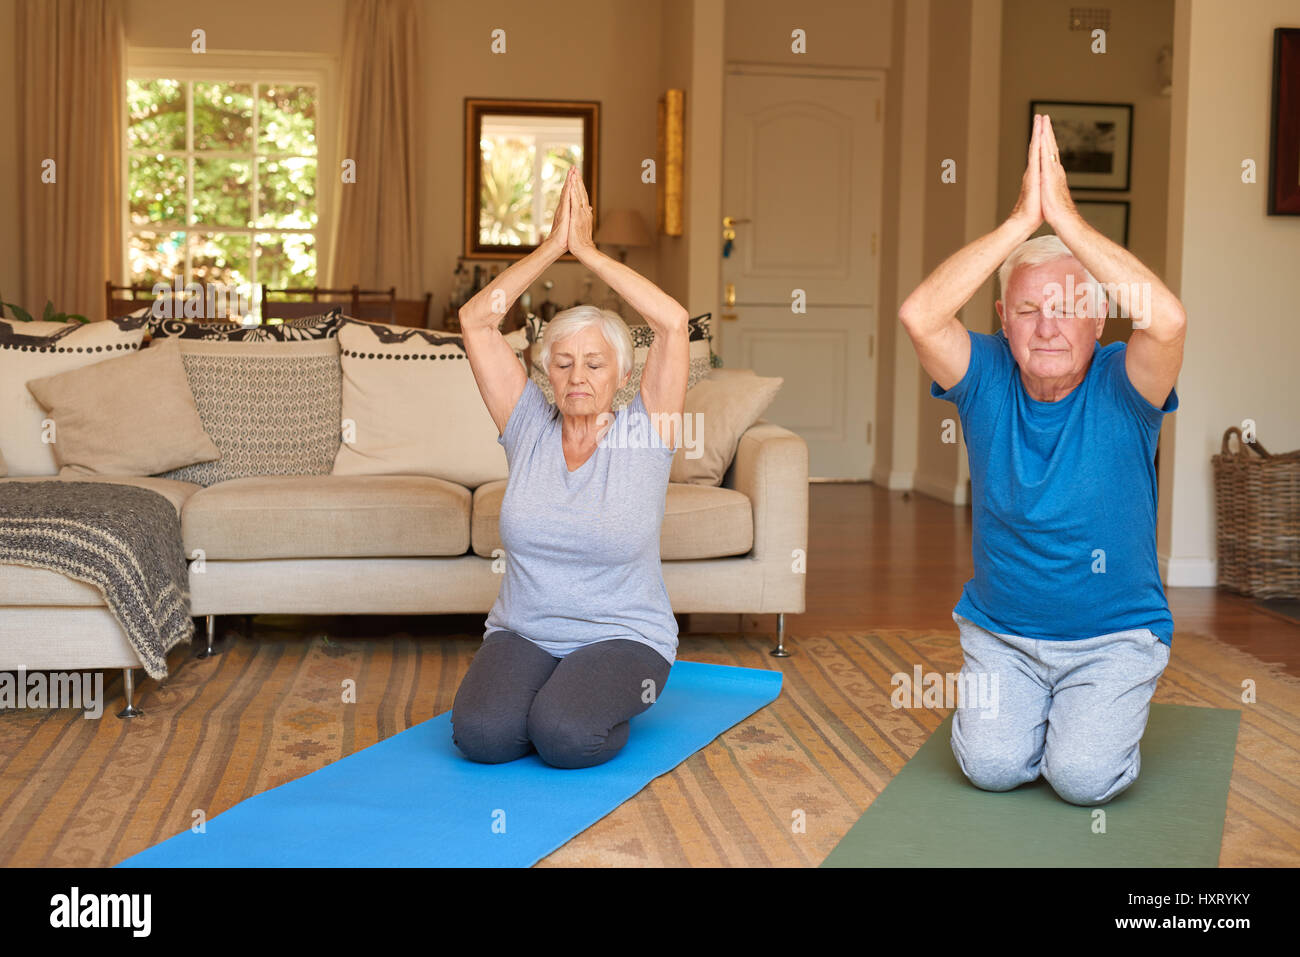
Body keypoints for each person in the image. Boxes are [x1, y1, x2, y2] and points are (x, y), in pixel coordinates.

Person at [897, 114, 1186, 805]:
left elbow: (1168, 320)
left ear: (1099, 319)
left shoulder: (1128, 382)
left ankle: (1098, 712)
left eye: (1067, 307)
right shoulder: (988, 374)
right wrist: (1022, 220)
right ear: (1003, 316)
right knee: (992, 768)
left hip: (1115, 637)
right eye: (1029, 309)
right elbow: (919, 315)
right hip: (1002, 632)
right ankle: (1042, 711)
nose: (1048, 325)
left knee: (1082, 780)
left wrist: (1067, 217)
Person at [451, 167, 691, 769]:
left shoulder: (647, 428)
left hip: (623, 635)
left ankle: (576, 699)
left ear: (622, 375)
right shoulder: (528, 423)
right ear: (544, 373)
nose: (577, 377)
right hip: (525, 630)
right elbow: (476, 322)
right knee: (481, 737)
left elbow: (672, 323)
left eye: (593, 363)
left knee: (563, 737)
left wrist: (587, 251)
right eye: (561, 364)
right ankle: (553, 689)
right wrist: (550, 249)